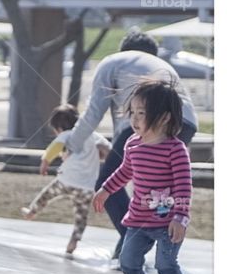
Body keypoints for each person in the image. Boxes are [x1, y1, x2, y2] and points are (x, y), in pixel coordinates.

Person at [66, 29, 197, 260]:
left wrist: (72, 145)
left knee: (109, 182)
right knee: (156, 187)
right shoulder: (160, 63)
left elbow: (94, 113)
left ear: (122, 50)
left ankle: (133, 243)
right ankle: (155, 239)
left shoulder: (112, 62)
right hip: (186, 121)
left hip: (152, 118)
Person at [93, 79, 192, 274]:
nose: (134, 120)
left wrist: (180, 217)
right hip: (138, 219)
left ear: (165, 118)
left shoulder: (175, 150)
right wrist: (106, 190)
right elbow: (125, 172)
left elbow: (183, 187)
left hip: (168, 221)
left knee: (165, 264)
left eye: (142, 113)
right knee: (127, 262)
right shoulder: (133, 145)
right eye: (133, 113)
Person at [21, 105, 110, 257]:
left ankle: (32, 212)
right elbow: (108, 149)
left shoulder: (68, 134)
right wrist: (101, 155)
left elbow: (55, 147)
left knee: (46, 195)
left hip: (66, 180)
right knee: (81, 215)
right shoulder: (93, 135)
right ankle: (74, 241)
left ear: (60, 128)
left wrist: (45, 162)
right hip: (87, 187)